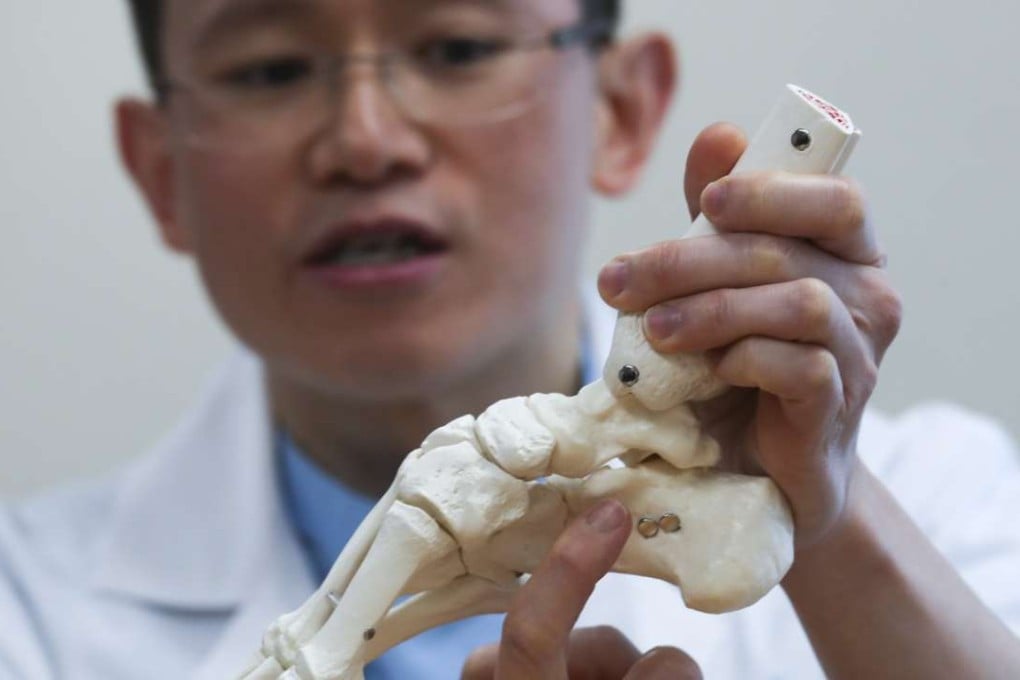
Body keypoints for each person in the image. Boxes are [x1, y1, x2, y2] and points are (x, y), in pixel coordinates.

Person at [2, 0, 1019, 677]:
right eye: (269, 68)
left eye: (456, 47)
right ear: (158, 168)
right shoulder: (27, 615)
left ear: (624, 109)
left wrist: (823, 514)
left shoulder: (948, 498)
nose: (365, 139)